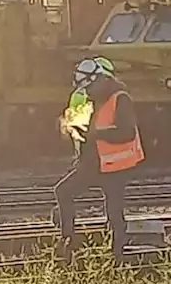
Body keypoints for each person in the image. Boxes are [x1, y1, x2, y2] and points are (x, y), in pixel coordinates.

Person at [53, 57, 144, 260]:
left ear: (100, 79)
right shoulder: (92, 99)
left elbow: (127, 132)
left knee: (114, 210)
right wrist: (73, 132)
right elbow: (85, 129)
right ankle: (68, 241)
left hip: (115, 166)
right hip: (92, 164)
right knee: (63, 191)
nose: (87, 92)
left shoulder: (120, 98)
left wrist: (97, 134)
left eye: (89, 87)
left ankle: (117, 253)